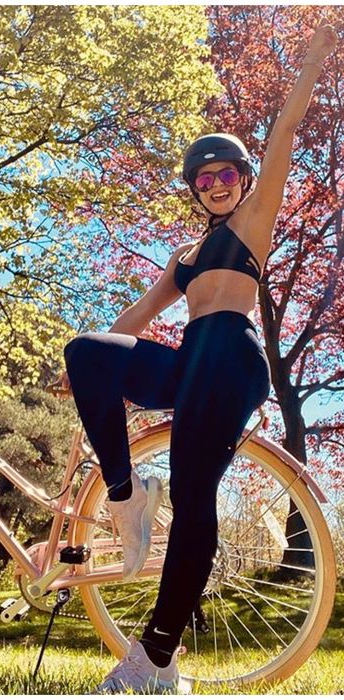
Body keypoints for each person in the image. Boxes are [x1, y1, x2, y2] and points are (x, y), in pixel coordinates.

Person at [58, 24, 338, 694]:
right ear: (192, 187)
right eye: (203, 177)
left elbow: (281, 142)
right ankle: (126, 500)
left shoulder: (251, 223)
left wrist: (310, 67)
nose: (215, 183)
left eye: (226, 174)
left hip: (227, 357)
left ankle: (154, 660)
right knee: (85, 352)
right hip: (187, 363)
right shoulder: (183, 256)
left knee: (193, 493)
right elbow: (137, 319)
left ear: (243, 182)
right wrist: (82, 370)